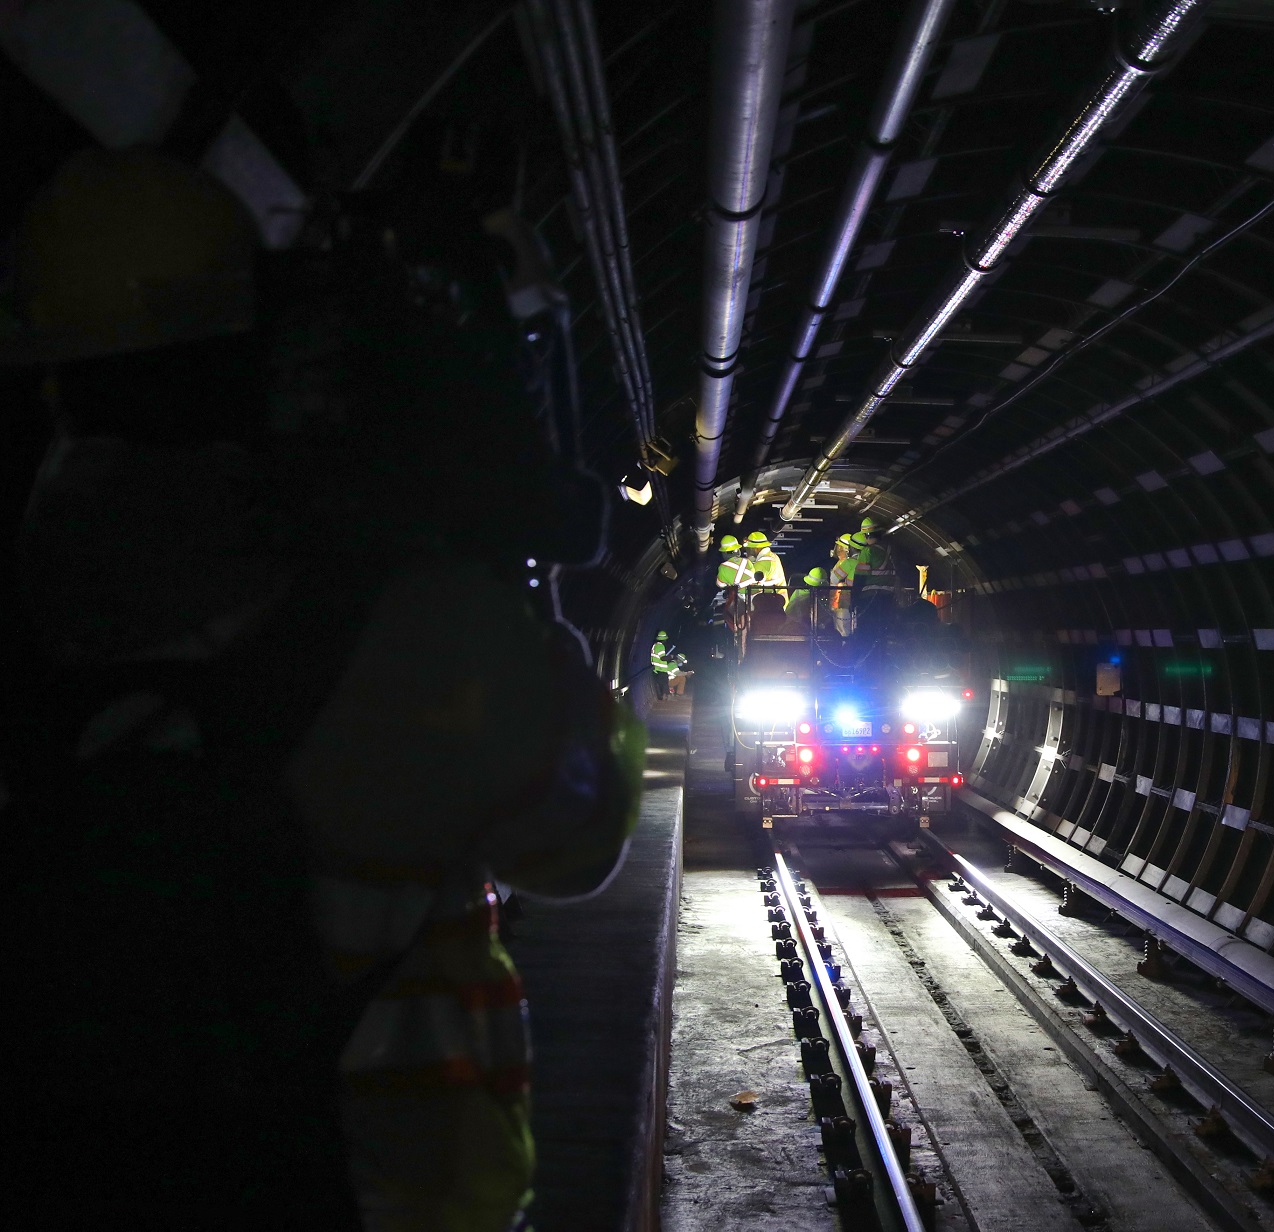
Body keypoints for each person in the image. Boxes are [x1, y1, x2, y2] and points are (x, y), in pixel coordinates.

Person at [8, 149, 644, 1231]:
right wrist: (528, 614)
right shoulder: (417, 619)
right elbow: (577, 837)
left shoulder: (34, 587)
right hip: (382, 1184)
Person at [828, 531, 859, 637]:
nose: (837, 549)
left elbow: (834, 579)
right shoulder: (851, 561)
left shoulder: (845, 563)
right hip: (846, 602)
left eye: (839, 547)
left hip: (842, 602)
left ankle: (844, 651)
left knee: (842, 630)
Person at [743, 529, 786, 599]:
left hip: (769, 604)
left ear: (755, 548)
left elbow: (750, 587)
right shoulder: (773, 556)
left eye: (749, 548)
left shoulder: (761, 564)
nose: (747, 551)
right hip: (778, 602)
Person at [651, 628, 677, 699]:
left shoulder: (655, 645)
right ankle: (667, 697)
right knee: (665, 683)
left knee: (661, 684)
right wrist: (670, 657)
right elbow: (662, 658)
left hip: (656, 669)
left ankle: (662, 697)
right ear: (664, 639)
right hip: (661, 669)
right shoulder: (660, 646)